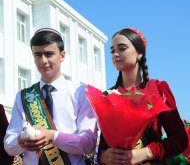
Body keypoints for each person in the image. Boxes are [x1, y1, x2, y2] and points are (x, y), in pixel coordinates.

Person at [4, 28, 98, 165]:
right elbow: (8, 145)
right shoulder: (24, 96)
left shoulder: (80, 92)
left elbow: (88, 143)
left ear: (62, 55)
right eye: (38, 55)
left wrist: (53, 136)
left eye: (49, 54)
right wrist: (21, 141)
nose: (43, 61)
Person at [97, 28, 188, 165]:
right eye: (112, 51)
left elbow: (180, 140)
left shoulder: (158, 89)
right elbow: (103, 146)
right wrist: (104, 156)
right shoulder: (107, 95)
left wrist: (146, 153)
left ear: (139, 53)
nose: (115, 54)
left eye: (122, 48)